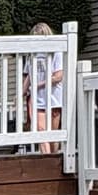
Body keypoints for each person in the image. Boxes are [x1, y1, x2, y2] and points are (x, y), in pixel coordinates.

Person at [28, 20, 65, 152]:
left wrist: (38, 85)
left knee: (53, 135)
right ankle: (46, 160)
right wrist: (21, 92)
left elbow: (58, 76)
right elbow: (29, 75)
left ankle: (54, 161)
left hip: (53, 98)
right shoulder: (32, 55)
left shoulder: (56, 52)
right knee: (41, 132)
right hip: (37, 100)